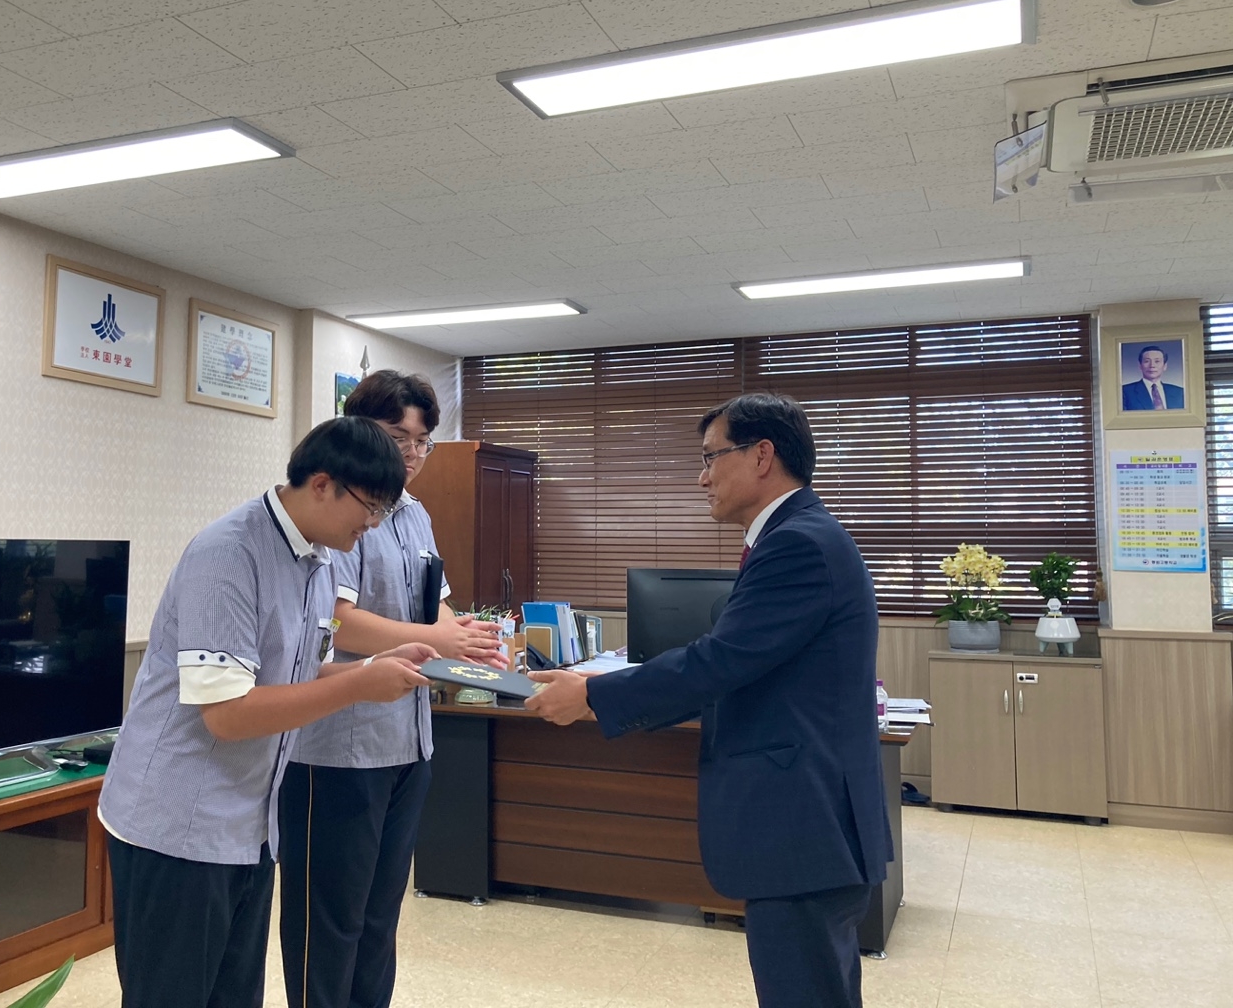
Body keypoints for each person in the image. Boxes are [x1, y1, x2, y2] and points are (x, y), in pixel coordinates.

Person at [526, 393, 891, 1008]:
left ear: (762, 456)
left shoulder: (798, 544)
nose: (702, 478)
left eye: (710, 457)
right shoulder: (798, 534)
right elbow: (738, 668)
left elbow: (721, 661)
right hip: (808, 825)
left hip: (804, 824)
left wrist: (592, 694)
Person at [98, 416, 437, 1008]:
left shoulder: (318, 560)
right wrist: (360, 686)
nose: (374, 524)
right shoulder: (229, 553)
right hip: (177, 827)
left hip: (249, 827)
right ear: (323, 484)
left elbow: (300, 674)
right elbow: (228, 714)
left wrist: (372, 667)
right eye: (370, 507)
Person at [279, 371, 506, 1008]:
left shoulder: (416, 514)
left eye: (422, 441)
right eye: (397, 436)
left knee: (379, 918)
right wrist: (439, 638)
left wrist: (471, 641)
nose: (410, 452)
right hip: (338, 747)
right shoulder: (341, 511)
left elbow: (435, 608)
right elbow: (338, 621)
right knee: (330, 920)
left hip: (409, 739)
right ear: (358, 430)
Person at [1121, 345, 1185, 410]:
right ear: (1140, 365)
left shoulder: (1180, 392)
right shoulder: (1125, 392)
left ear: (1165, 366)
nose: (1152, 365)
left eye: (1157, 361)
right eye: (1147, 361)